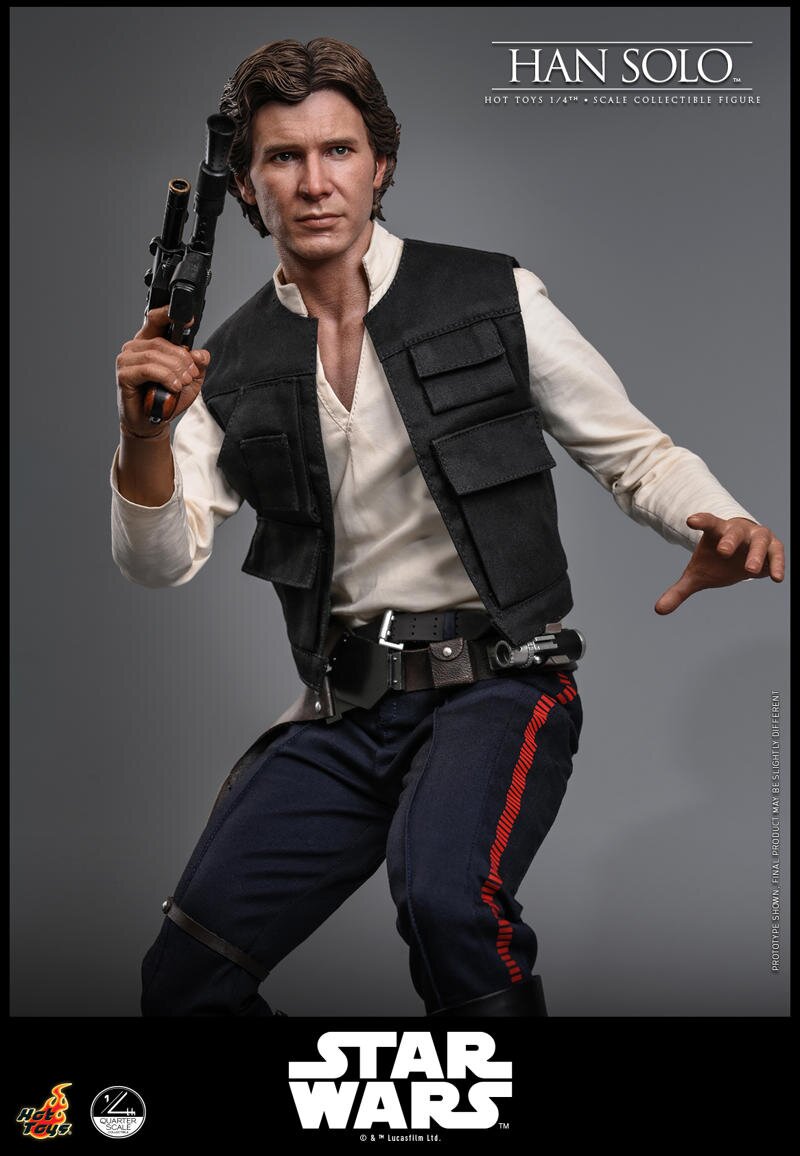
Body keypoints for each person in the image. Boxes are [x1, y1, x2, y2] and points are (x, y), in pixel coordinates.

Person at [111, 37, 785, 1018]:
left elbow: (635, 453)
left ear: (380, 163)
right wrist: (143, 439)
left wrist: (716, 518)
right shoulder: (229, 362)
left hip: (498, 682)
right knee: (184, 977)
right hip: (342, 708)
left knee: (445, 903)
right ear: (247, 185)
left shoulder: (491, 296)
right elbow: (160, 562)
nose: (314, 183)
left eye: (338, 150)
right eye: (283, 157)